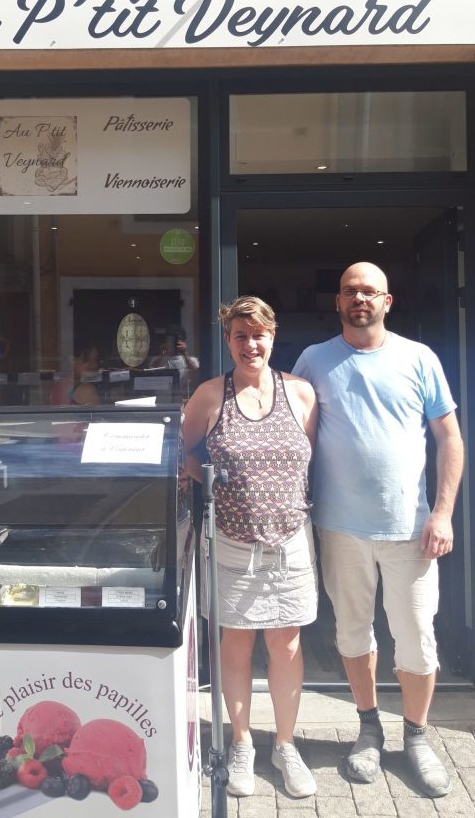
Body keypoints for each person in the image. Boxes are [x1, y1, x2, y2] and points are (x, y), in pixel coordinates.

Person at [292, 262, 463, 799]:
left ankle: (416, 736)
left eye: (368, 291)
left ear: (388, 300)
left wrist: (442, 513)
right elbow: (292, 437)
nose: (358, 298)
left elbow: (449, 439)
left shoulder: (419, 358)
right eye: (349, 291)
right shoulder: (313, 360)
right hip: (340, 528)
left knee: (415, 637)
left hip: (411, 529)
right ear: (338, 301)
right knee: (351, 633)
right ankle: (368, 727)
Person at [182, 296, 319, 799]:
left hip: (290, 541)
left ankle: (285, 745)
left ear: (273, 337)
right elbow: (187, 451)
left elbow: (308, 457)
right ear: (228, 341)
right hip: (233, 543)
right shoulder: (209, 397)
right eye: (240, 335)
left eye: (258, 334)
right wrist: (215, 485)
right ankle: (241, 744)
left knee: (285, 644)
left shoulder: (301, 394)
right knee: (237, 643)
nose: (250, 344)